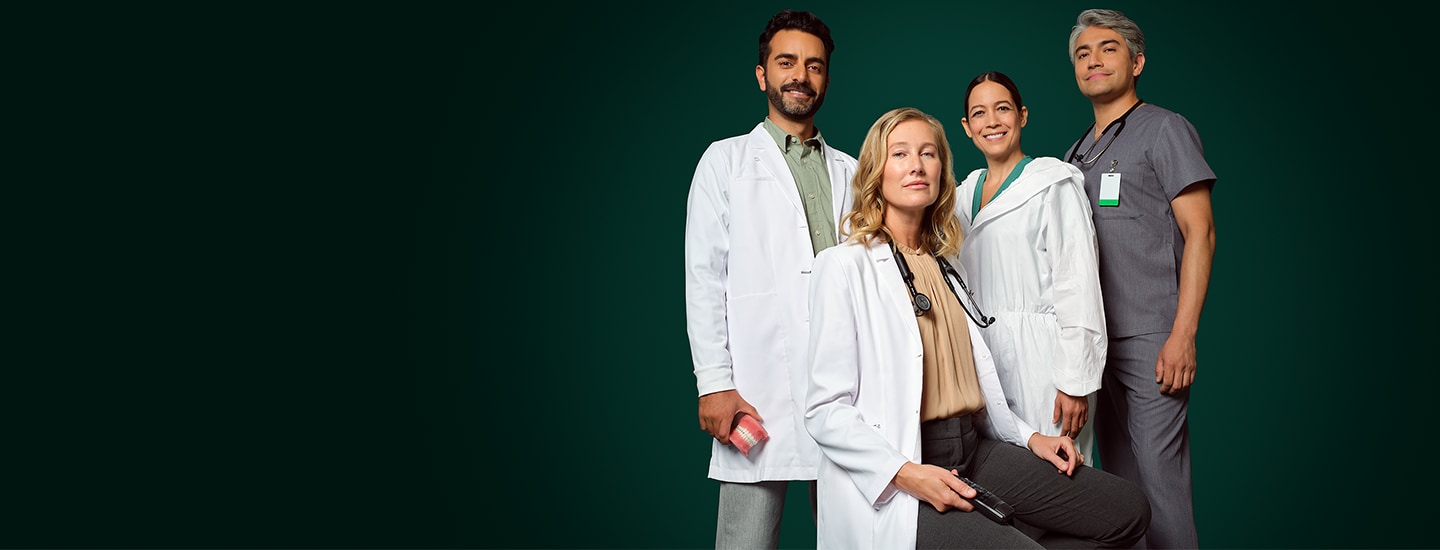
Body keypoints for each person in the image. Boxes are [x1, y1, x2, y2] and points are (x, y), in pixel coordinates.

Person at [804, 106, 1149, 549]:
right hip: (907, 466)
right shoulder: (843, 266)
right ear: (876, 172)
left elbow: (974, 382)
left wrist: (1031, 438)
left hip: (973, 449)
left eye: (928, 154)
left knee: (1127, 510)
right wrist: (907, 474)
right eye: (900, 154)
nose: (916, 165)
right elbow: (824, 410)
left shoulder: (949, 265)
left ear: (941, 171)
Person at [683, 9, 857, 549]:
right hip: (759, 385)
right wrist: (714, 382)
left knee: (854, 535)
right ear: (762, 75)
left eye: (814, 65)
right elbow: (704, 275)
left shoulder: (852, 170)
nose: (800, 75)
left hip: (845, 381)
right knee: (746, 540)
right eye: (786, 62)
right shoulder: (725, 162)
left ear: (826, 78)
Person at [1066, 9, 1217, 549]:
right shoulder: (1077, 152)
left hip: (1154, 337)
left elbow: (1201, 234)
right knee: (1120, 494)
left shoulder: (1164, 129)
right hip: (1096, 344)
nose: (1093, 60)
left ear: (1137, 60)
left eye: (1107, 48)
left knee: (1160, 483)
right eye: (1082, 54)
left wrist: (1183, 335)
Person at [955, 71, 1107, 469]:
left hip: (1045, 362)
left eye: (1002, 109)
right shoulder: (960, 195)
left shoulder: (1053, 183)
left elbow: (1079, 284)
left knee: (1060, 481)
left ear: (1022, 115)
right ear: (966, 127)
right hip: (983, 362)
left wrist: (1075, 383)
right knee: (1003, 488)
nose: (992, 121)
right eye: (979, 113)